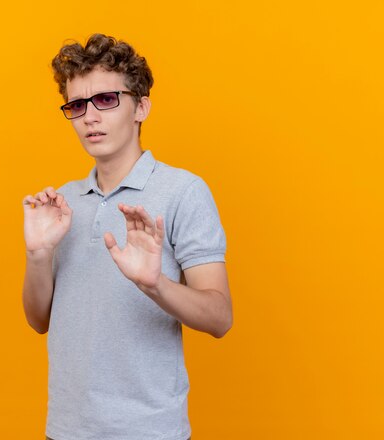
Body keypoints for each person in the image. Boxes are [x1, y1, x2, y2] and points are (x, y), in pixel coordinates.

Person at [22, 33, 232, 440]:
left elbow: (220, 317)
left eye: (105, 100)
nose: (89, 117)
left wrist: (154, 285)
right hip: (65, 430)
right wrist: (38, 254)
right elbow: (38, 320)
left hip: (150, 431)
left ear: (142, 107)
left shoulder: (183, 191)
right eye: (77, 105)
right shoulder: (62, 203)